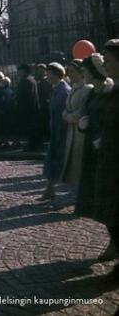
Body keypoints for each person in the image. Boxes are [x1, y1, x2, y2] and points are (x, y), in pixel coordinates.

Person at [75, 53, 116, 261]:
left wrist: (104, 137)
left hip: (109, 149)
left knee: (110, 199)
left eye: (85, 71)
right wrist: (83, 122)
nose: (83, 75)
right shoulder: (91, 93)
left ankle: (114, 243)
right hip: (92, 151)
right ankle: (113, 240)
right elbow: (86, 114)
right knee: (96, 197)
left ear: (94, 72)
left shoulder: (110, 91)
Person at [93, 39, 119, 277]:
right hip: (109, 157)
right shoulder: (113, 89)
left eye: (109, 61)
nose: (105, 65)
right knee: (111, 213)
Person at [38, 63, 71, 201]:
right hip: (56, 130)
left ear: (56, 74)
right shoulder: (57, 89)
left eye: (49, 73)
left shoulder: (64, 90)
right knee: (52, 160)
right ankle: (49, 190)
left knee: (62, 162)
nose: (47, 76)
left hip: (63, 132)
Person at [60, 60, 93, 187]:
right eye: (69, 72)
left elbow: (81, 113)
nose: (70, 75)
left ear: (81, 72)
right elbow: (65, 109)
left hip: (81, 133)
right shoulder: (73, 88)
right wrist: (67, 115)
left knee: (81, 166)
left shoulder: (87, 89)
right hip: (72, 132)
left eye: (73, 72)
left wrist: (68, 116)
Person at [15, 64, 41, 150]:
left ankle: (32, 146)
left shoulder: (25, 80)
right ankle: (34, 145)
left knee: (30, 129)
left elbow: (23, 96)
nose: (18, 72)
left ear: (23, 71)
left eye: (19, 70)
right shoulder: (32, 79)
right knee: (33, 128)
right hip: (33, 107)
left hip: (27, 108)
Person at [36, 64, 52, 142]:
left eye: (41, 69)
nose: (39, 71)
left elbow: (49, 91)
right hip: (41, 103)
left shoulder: (47, 80)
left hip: (46, 103)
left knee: (47, 120)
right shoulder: (39, 80)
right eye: (38, 69)